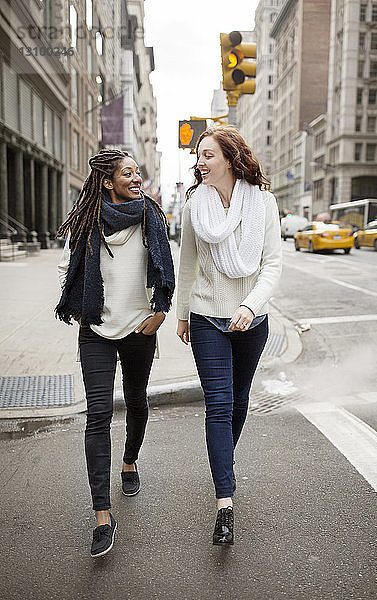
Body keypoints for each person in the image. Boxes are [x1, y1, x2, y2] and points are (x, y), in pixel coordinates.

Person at [56, 149, 174, 558]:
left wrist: (161, 311)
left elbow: (166, 270)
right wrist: (79, 305)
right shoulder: (88, 221)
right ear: (108, 182)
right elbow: (68, 267)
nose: (136, 178)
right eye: (128, 173)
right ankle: (102, 517)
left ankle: (129, 462)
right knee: (98, 414)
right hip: (97, 332)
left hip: (140, 329)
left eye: (137, 172)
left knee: (137, 399)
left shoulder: (151, 217)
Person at [176, 126, 282, 545]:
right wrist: (183, 314)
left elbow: (272, 265)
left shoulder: (264, 203)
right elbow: (187, 263)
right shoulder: (193, 206)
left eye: (207, 155)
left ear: (230, 158)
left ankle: (224, 461)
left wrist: (249, 306)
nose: (200, 163)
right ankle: (225, 502)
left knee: (239, 400)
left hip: (252, 320)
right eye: (198, 156)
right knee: (218, 404)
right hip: (206, 316)